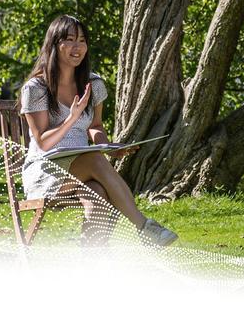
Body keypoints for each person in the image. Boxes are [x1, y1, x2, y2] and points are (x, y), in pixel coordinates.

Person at [19, 15, 178, 246]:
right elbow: (43, 143)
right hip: (45, 169)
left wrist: (107, 145)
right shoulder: (36, 88)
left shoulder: (93, 84)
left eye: (82, 41)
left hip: (82, 166)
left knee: (98, 193)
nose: (78, 47)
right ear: (55, 44)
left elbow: (95, 126)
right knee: (94, 159)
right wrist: (71, 118)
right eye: (70, 40)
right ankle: (143, 227)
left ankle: (92, 262)